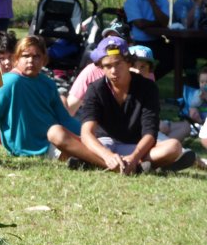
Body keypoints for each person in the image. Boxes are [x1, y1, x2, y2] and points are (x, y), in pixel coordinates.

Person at [78, 36, 195, 174]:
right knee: (57, 134)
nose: (114, 71)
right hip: (104, 145)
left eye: (118, 64)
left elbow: (150, 133)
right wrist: (107, 155)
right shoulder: (95, 88)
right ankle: (136, 167)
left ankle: (96, 162)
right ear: (101, 67)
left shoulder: (148, 87)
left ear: (128, 63)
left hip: (134, 146)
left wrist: (134, 157)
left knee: (174, 146)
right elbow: (86, 133)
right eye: (108, 66)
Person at [0, 36, 101, 166]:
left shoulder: (47, 83)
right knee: (67, 140)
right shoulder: (8, 82)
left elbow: (64, 119)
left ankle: (101, 159)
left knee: (94, 143)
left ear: (44, 59)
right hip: (28, 148)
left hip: (52, 141)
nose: (30, 61)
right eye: (25, 56)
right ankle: (108, 164)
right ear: (16, 58)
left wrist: (89, 135)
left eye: (36, 56)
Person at [129, 45, 190, 141]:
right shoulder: (122, 89)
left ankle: (161, 148)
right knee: (171, 144)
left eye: (143, 67)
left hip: (151, 128)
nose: (137, 71)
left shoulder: (150, 88)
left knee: (185, 126)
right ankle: (162, 148)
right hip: (135, 133)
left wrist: (158, 123)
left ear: (150, 70)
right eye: (133, 66)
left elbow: (152, 115)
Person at [123, 0, 173, 80]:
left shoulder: (162, 0)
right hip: (139, 42)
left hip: (157, 40)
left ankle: (151, 79)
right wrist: (157, 23)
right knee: (139, 61)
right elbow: (140, 24)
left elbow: (164, 22)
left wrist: (152, 2)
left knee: (174, 57)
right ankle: (146, 80)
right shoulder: (133, 0)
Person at [172, 0, 206, 87]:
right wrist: (197, 4)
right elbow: (185, 23)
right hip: (182, 42)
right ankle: (193, 87)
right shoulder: (182, 1)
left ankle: (202, 79)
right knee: (188, 59)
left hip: (200, 40)